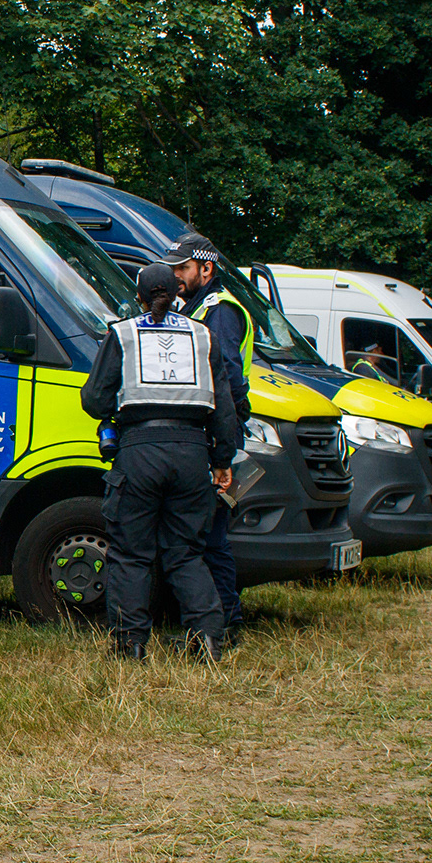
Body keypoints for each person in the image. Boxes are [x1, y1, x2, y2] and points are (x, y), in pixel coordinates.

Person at [80, 262, 242, 661]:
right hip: (191, 455)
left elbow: (94, 400)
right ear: (177, 293)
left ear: (139, 296)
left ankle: (130, 644)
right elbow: (224, 408)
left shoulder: (124, 334)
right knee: (186, 553)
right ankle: (206, 638)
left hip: (139, 452)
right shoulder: (203, 336)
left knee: (131, 554)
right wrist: (222, 459)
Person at [165, 233, 253, 644]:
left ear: (207, 268)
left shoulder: (220, 311)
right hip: (202, 434)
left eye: (183, 268)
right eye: (173, 268)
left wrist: (223, 444)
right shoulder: (195, 307)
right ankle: (213, 622)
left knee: (211, 537)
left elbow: (228, 380)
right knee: (201, 534)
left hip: (214, 432)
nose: (176, 276)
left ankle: (226, 624)